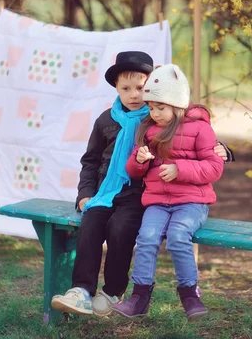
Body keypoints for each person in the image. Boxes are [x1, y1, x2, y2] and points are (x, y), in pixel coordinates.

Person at [51, 52, 232, 317]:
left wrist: (225, 149)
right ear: (116, 89)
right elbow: (90, 160)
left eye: (140, 88)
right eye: (126, 89)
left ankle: (113, 289)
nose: (134, 95)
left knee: (121, 227)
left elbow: (194, 132)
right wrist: (85, 193)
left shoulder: (156, 117)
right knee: (90, 223)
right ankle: (81, 290)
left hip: (140, 194)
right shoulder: (107, 120)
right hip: (106, 192)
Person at [112, 64, 223, 322]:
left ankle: (190, 294)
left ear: (177, 104)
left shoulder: (200, 129)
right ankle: (139, 297)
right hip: (158, 202)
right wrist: (139, 159)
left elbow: (214, 168)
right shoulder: (148, 131)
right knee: (147, 238)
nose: (154, 113)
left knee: (177, 236)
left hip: (192, 202)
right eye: (151, 107)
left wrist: (179, 169)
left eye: (160, 107)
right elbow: (133, 171)